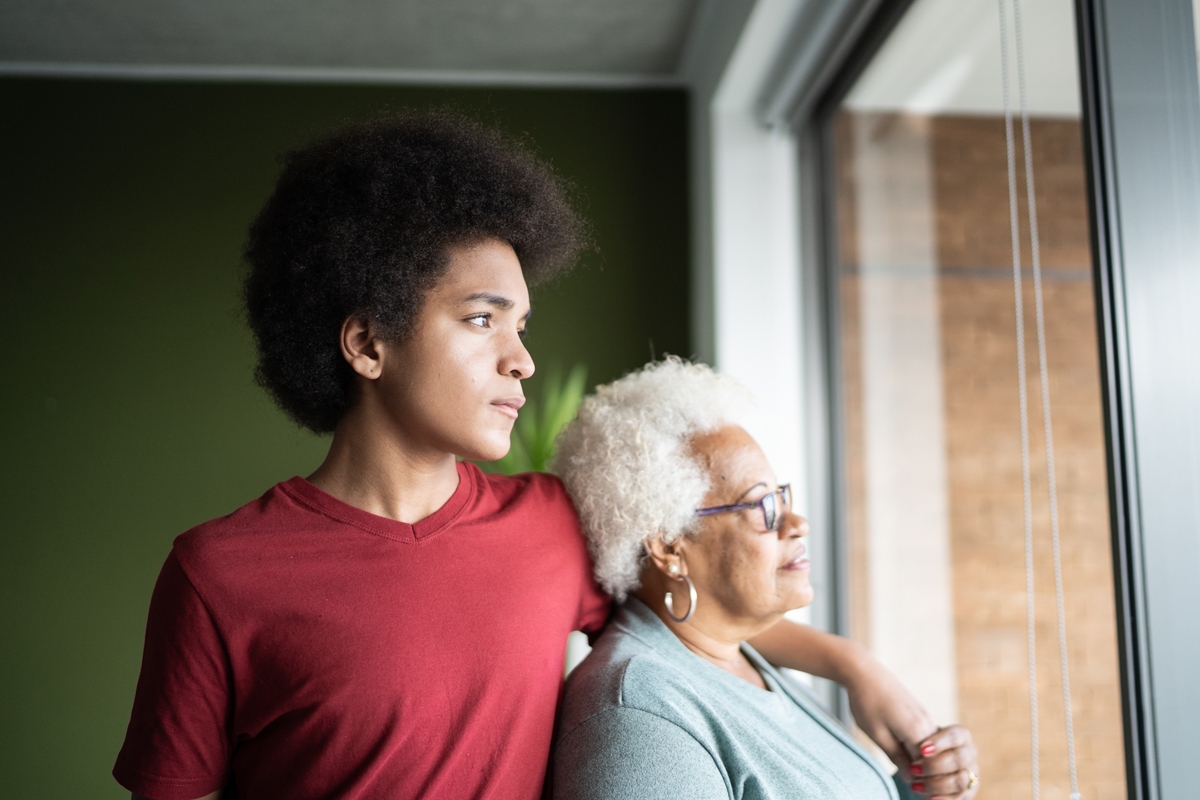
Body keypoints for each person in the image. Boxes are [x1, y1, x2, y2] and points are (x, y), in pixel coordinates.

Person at [114, 113, 941, 800]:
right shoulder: (219, 575)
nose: (522, 361)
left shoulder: (549, 526)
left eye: (523, 327)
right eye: (482, 320)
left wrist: (855, 667)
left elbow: (699, 610)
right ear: (367, 343)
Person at [551, 358, 982, 800]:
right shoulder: (641, 723)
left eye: (781, 497)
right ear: (669, 547)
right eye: (763, 506)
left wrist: (929, 787)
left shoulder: (737, 657)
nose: (797, 523)